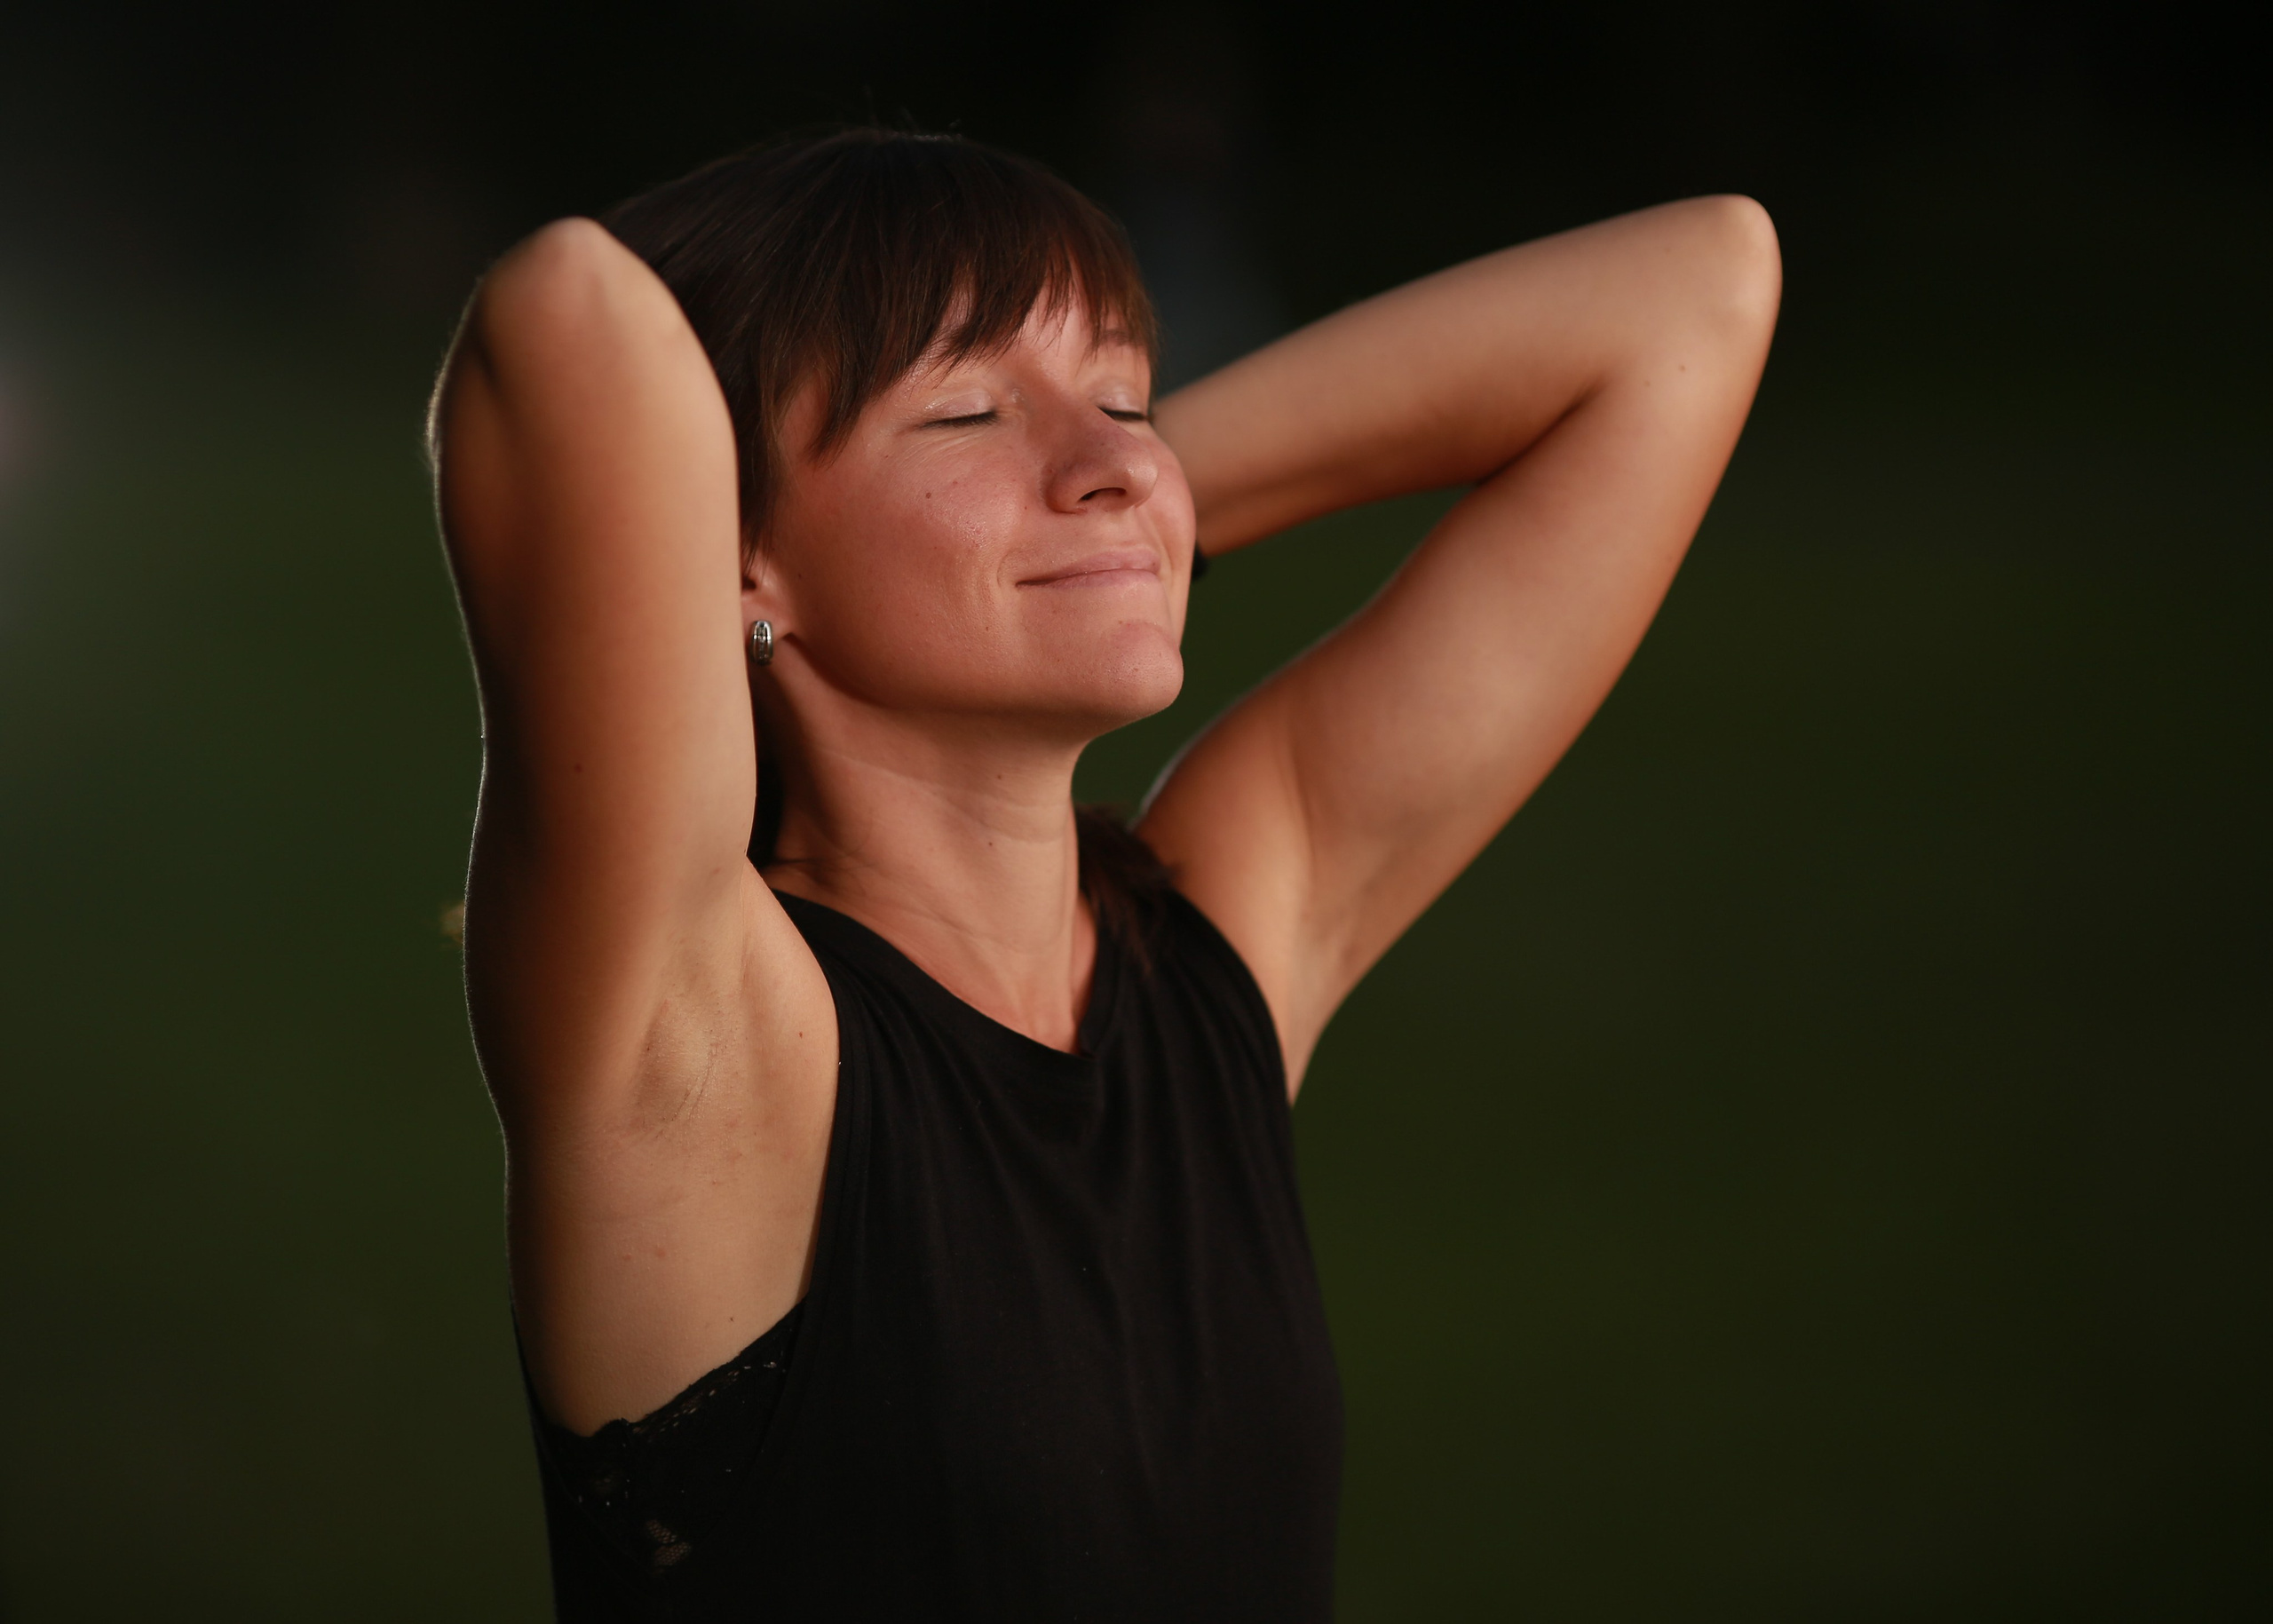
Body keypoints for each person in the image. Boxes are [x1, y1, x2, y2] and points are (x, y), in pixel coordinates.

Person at [430, 127, 1778, 1620]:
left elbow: (1700, 290)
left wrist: (1132, 514)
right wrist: (1060, 514)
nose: (1121, 455)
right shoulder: (699, 1056)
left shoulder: (1214, 940)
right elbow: (567, 319)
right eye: (961, 413)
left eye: (1126, 392)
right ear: (736, 553)